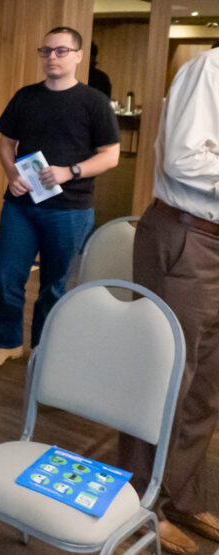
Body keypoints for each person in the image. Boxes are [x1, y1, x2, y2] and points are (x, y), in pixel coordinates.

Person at [118, 47, 219, 555]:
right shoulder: (210, 69)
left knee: (206, 386)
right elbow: (184, 159)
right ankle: (136, 507)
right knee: (162, 378)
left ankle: (179, 494)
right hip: (188, 236)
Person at [0, 26, 120, 368]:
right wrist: (12, 175)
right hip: (21, 206)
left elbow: (110, 155)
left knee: (54, 284)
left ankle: (44, 348)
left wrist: (69, 171)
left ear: (78, 56)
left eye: (61, 51)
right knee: (6, 275)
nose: (52, 57)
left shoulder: (94, 102)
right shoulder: (26, 96)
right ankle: (7, 342)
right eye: (46, 51)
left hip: (69, 209)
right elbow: (5, 143)